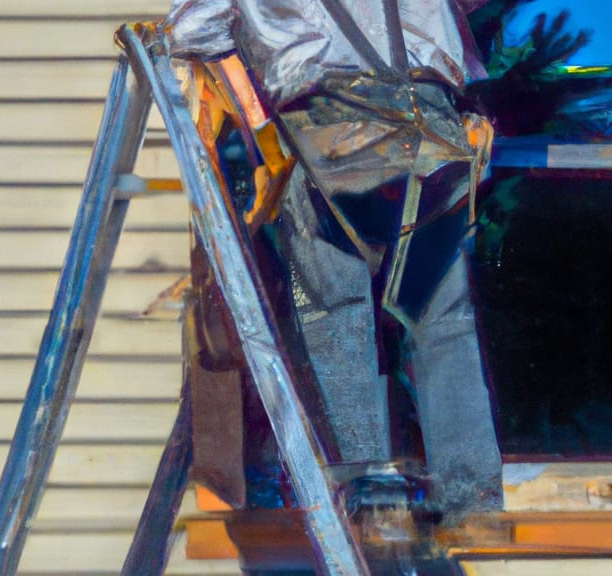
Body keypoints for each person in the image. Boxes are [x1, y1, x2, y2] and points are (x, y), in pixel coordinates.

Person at [166, 0, 503, 511]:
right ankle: (472, 502)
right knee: (441, 320)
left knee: (333, 314)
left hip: (325, 115)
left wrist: (258, 119)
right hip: (433, 121)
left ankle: (364, 498)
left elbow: (192, 29)